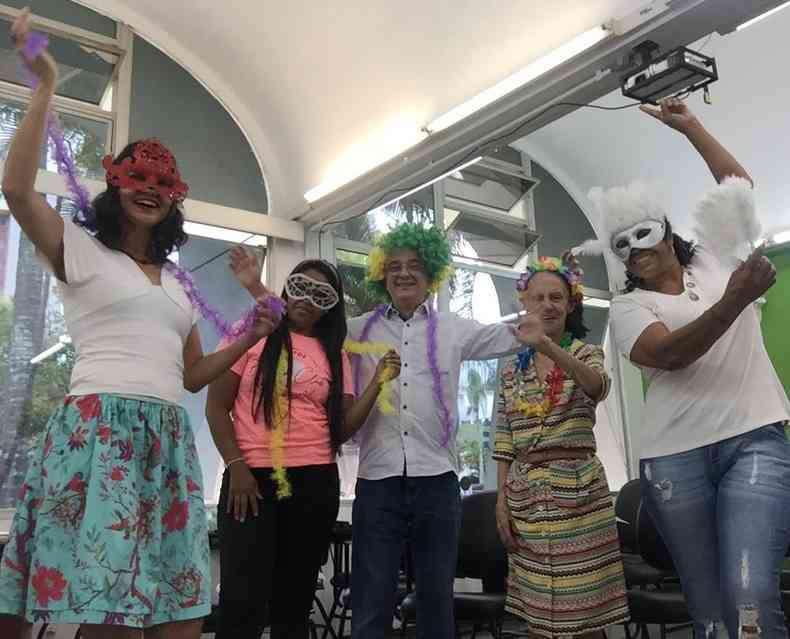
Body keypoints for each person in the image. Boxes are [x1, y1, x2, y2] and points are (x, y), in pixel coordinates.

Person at [0, 11, 278, 639]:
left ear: (175, 196)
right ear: (114, 182)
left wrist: (250, 336)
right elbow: (17, 190)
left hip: (167, 442)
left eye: (163, 183)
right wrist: (45, 84)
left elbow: (190, 376)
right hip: (100, 435)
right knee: (111, 618)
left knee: (179, 617)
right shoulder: (80, 250)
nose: (149, 189)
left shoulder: (178, 281)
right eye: (137, 178)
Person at [574, 98, 790, 639]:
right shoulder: (628, 308)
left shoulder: (715, 259)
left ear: (667, 232)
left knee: (750, 594)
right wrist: (734, 302)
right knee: (710, 612)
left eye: (642, 234)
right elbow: (669, 354)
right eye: (620, 244)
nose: (633, 248)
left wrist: (692, 128)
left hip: (753, 438)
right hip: (674, 463)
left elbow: (737, 189)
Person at [346, 223, 523, 639]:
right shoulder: (357, 330)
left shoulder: (454, 328)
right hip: (377, 481)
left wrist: (549, 301)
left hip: (437, 482)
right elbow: (306, 328)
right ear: (381, 275)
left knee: (435, 601)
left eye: (414, 266)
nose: (403, 274)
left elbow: (512, 335)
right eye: (393, 267)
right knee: (371, 601)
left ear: (431, 275)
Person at [211, 255, 400, 638]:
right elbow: (216, 407)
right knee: (242, 600)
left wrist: (378, 383)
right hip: (251, 481)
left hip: (315, 483)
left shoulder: (335, 353)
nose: (307, 299)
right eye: (300, 287)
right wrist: (237, 468)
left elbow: (341, 429)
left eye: (321, 294)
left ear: (331, 305)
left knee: (294, 602)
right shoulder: (251, 331)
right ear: (287, 288)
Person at [493, 255, 629, 638]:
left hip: (580, 496)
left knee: (586, 614)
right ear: (524, 303)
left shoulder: (586, 354)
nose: (548, 305)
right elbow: (504, 440)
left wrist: (548, 347)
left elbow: (596, 387)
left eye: (557, 297)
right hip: (526, 501)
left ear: (571, 305)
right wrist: (501, 500)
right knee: (537, 616)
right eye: (538, 297)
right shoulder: (509, 370)